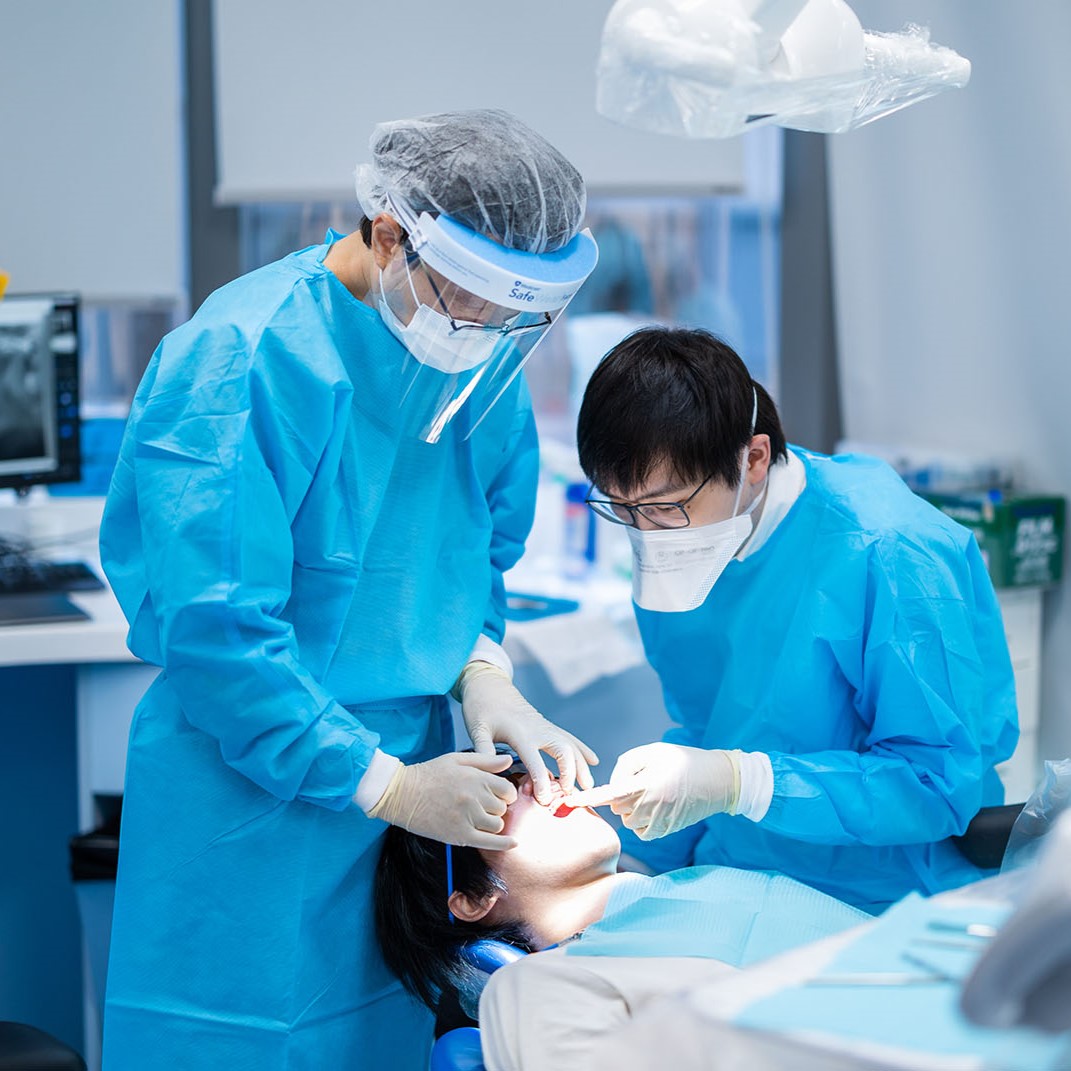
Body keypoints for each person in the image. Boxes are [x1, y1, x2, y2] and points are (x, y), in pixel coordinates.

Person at [98, 108, 601, 1071]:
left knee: (378, 1033)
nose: (488, 331)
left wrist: (481, 673)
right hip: (245, 800)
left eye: (516, 314)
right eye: (471, 299)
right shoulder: (245, 358)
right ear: (387, 234)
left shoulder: (476, 364)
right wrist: (385, 786)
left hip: (400, 808)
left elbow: (468, 559)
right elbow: (218, 635)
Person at [564, 326, 1019, 912]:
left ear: (752, 458)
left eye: (665, 506)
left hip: (882, 897)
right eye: (622, 509)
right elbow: (710, 728)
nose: (647, 536)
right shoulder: (679, 548)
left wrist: (740, 782)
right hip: (735, 873)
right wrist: (639, 858)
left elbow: (933, 784)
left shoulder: (890, 551)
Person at [375, 758, 869, 1071]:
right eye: (495, 798)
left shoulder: (697, 882)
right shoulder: (538, 987)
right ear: (470, 897)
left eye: (526, 775)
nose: (539, 786)